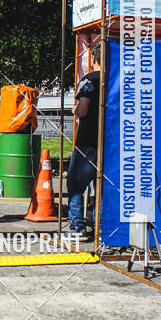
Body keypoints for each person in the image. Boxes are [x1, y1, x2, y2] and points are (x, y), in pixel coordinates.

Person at [66, 43, 101, 239]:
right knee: (102, 186)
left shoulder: (89, 80)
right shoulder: (116, 79)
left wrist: (75, 109)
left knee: (76, 183)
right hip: (109, 142)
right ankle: (101, 228)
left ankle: (78, 227)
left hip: (87, 141)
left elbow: (83, 110)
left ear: (93, 59)